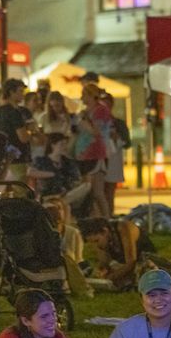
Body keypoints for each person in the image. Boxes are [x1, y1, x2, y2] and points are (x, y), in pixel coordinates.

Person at [73, 83, 112, 218]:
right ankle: (95, 217)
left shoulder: (101, 110)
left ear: (91, 95)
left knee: (97, 191)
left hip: (96, 153)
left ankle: (106, 218)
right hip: (84, 154)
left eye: (84, 94)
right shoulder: (85, 112)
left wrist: (83, 121)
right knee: (87, 191)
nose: (82, 98)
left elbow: (96, 131)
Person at [79, 217, 141, 292]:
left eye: (96, 241)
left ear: (105, 231)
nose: (96, 246)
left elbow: (131, 263)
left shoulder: (124, 228)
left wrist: (110, 277)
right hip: (123, 263)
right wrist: (100, 272)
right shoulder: (104, 240)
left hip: (143, 261)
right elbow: (104, 263)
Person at [28, 132, 90, 208]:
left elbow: (76, 179)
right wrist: (52, 174)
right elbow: (30, 172)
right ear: (53, 145)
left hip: (66, 194)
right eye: (61, 144)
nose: (65, 147)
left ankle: (60, 203)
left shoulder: (68, 162)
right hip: (48, 195)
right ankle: (59, 203)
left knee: (86, 186)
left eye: (65, 144)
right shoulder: (41, 160)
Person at [0, 78, 31, 182]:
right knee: (20, 192)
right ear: (11, 92)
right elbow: (23, 138)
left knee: (6, 193)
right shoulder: (14, 112)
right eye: (20, 91)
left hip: (2, 158)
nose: (23, 94)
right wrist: (31, 132)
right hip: (17, 158)